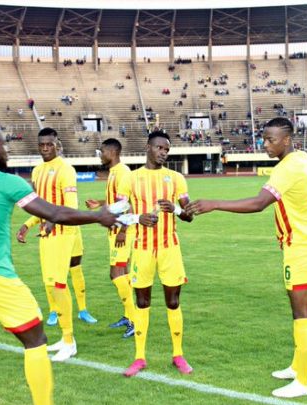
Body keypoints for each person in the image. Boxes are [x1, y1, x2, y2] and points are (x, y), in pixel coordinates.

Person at [0, 122, 117, 405]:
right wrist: (98, 216)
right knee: (36, 341)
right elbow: (55, 213)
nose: (6, 150)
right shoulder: (8, 182)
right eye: (2, 144)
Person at [186, 117, 307, 399]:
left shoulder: (286, 168)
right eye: (264, 139)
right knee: (297, 311)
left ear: (286, 140)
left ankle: (303, 381)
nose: (265, 144)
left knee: (303, 314)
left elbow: (259, 203)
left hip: (303, 248)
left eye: (271, 139)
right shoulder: (304, 158)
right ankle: (297, 366)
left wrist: (215, 203)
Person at [16, 128, 97, 362]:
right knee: (51, 286)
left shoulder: (65, 170)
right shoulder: (37, 171)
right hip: (46, 234)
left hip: (63, 232)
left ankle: (70, 342)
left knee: (59, 285)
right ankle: (64, 337)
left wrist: (52, 220)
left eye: (49, 144)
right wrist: (28, 224)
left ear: (57, 145)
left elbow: (70, 205)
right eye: (41, 144)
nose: (45, 148)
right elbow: (40, 206)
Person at [118, 131, 194, 377]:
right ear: (148, 147)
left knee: (173, 302)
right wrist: (137, 218)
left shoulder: (176, 178)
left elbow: (190, 215)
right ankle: (139, 357)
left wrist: (175, 210)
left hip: (170, 248)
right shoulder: (131, 178)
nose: (163, 153)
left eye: (167, 149)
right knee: (142, 302)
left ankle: (178, 355)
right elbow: (116, 214)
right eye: (160, 148)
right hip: (142, 249)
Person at [85, 138, 136, 338]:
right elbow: (117, 200)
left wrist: (123, 229)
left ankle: (134, 319)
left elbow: (128, 204)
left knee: (116, 275)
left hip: (122, 231)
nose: (100, 155)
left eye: (103, 151)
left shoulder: (123, 172)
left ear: (113, 152)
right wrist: (99, 203)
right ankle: (128, 315)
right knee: (122, 274)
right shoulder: (114, 172)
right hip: (116, 230)